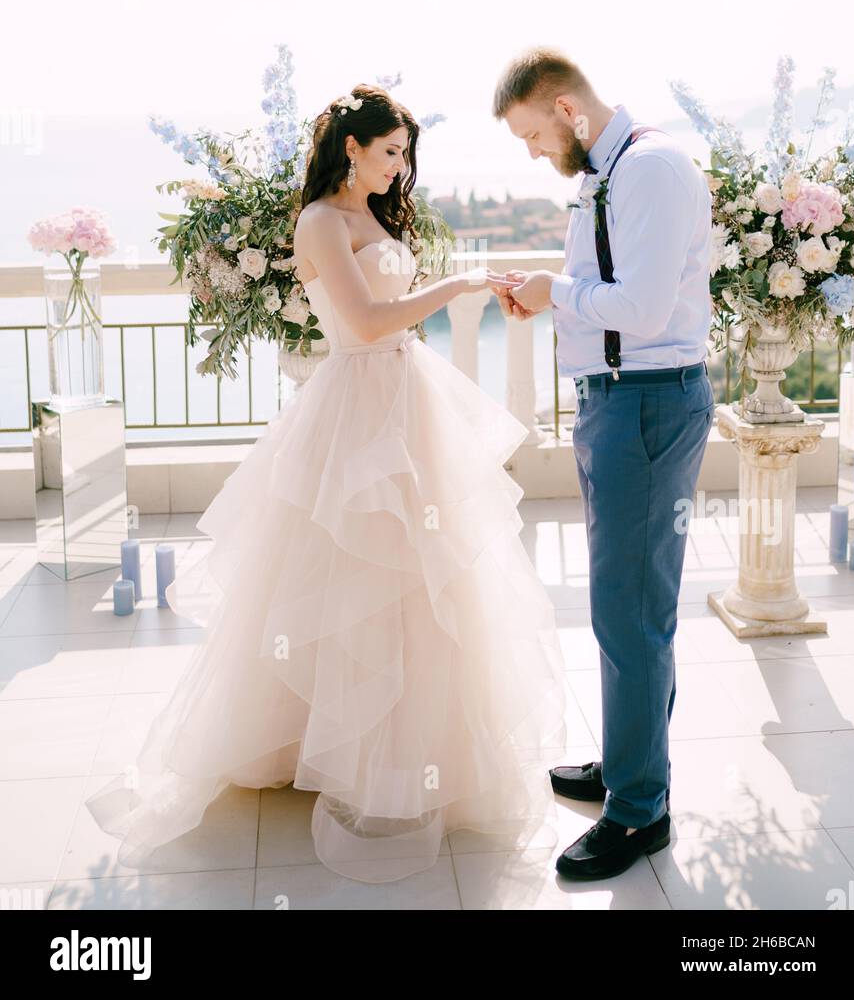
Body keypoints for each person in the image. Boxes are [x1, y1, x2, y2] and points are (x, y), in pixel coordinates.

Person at [85, 82, 568, 884]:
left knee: (424, 576)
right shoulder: (320, 221)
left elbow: (389, 315)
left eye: (406, 155)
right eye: (389, 152)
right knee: (351, 572)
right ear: (352, 147)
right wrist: (461, 284)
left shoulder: (376, 214)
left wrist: (462, 283)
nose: (399, 167)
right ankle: (330, 745)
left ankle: (423, 750)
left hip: (407, 399)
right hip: (355, 401)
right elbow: (367, 323)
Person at [487, 46, 714, 882]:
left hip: (648, 403)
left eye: (531, 133)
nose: (533, 151)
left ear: (564, 106)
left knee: (631, 611)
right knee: (623, 604)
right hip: (620, 401)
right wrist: (553, 297)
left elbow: (644, 309)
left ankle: (638, 813)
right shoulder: (606, 175)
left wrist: (557, 291)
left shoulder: (650, 168)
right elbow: (609, 301)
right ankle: (630, 764)